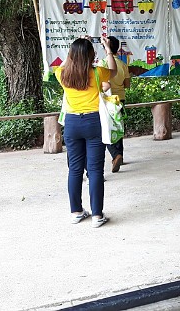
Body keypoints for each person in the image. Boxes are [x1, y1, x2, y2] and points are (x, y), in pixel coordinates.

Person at [55, 37, 117, 227]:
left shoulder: (62, 74)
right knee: (95, 169)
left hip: (72, 123)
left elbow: (65, 63)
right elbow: (114, 70)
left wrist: (75, 49)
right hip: (93, 122)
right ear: (92, 55)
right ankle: (97, 215)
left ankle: (76, 212)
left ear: (71, 55)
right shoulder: (98, 72)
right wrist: (108, 49)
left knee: (74, 169)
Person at [101, 36, 130, 173]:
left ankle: (115, 155)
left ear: (105, 48)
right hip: (120, 99)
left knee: (108, 128)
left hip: (107, 100)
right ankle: (120, 156)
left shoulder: (102, 63)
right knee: (119, 127)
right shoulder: (123, 64)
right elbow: (127, 84)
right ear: (117, 48)